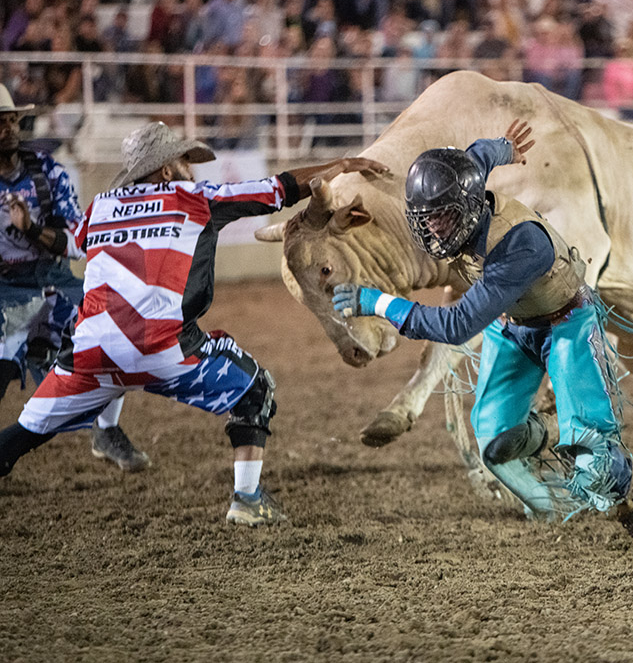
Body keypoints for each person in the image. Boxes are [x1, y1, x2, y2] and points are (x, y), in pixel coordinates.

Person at [0, 120, 382, 526]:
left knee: (26, 431)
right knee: (255, 390)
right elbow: (279, 188)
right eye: (185, 159)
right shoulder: (195, 198)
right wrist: (341, 164)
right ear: (166, 169)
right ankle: (247, 499)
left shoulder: (102, 207)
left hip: (90, 355)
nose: (192, 167)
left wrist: (30, 229)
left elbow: (69, 243)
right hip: (166, 351)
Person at [332, 120, 633, 541]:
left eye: (443, 216)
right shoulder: (467, 179)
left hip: (567, 323)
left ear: (469, 206)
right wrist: (507, 146)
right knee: (494, 440)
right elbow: (480, 152)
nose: (434, 227)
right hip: (516, 323)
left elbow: (456, 326)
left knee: (593, 456)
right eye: (427, 217)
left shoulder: (519, 244)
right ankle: (551, 501)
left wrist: (376, 301)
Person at [0, 83, 149, 473]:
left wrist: (30, 228)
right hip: (4, 289)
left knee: (118, 330)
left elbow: (74, 241)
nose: (9, 128)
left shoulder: (48, 172)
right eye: (0, 122)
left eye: (12, 120)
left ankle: (107, 429)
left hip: (52, 278)